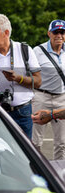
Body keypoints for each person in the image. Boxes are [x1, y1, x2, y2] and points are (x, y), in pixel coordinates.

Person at [0, 14, 41, 139]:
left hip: (22, 112)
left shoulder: (24, 50)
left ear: (6, 33)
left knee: (25, 155)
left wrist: (18, 78)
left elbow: (38, 82)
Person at [31, 19, 65, 159]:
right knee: (35, 141)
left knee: (62, 142)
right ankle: (35, 170)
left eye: (62, 32)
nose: (59, 35)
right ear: (48, 33)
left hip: (62, 97)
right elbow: (30, 74)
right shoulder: (37, 51)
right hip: (41, 96)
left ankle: (60, 175)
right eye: (56, 32)